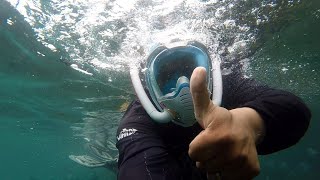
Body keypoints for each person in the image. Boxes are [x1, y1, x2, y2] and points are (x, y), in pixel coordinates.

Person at [116, 42, 311, 180]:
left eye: (189, 68)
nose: (185, 86)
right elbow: (137, 166)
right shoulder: (138, 117)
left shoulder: (227, 85)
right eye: (167, 75)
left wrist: (250, 123)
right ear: (150, 82)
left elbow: (293, 108)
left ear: (209, 71)